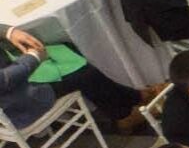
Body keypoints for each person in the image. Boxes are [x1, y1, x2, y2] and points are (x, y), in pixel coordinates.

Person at [0, 26, 148, 137]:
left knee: (67, 48)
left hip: (11, 79)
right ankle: (124, 116)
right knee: (83, 73)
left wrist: (9, 31)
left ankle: (133, 96)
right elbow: (7, 79)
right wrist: (34, 57)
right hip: (18, 103)